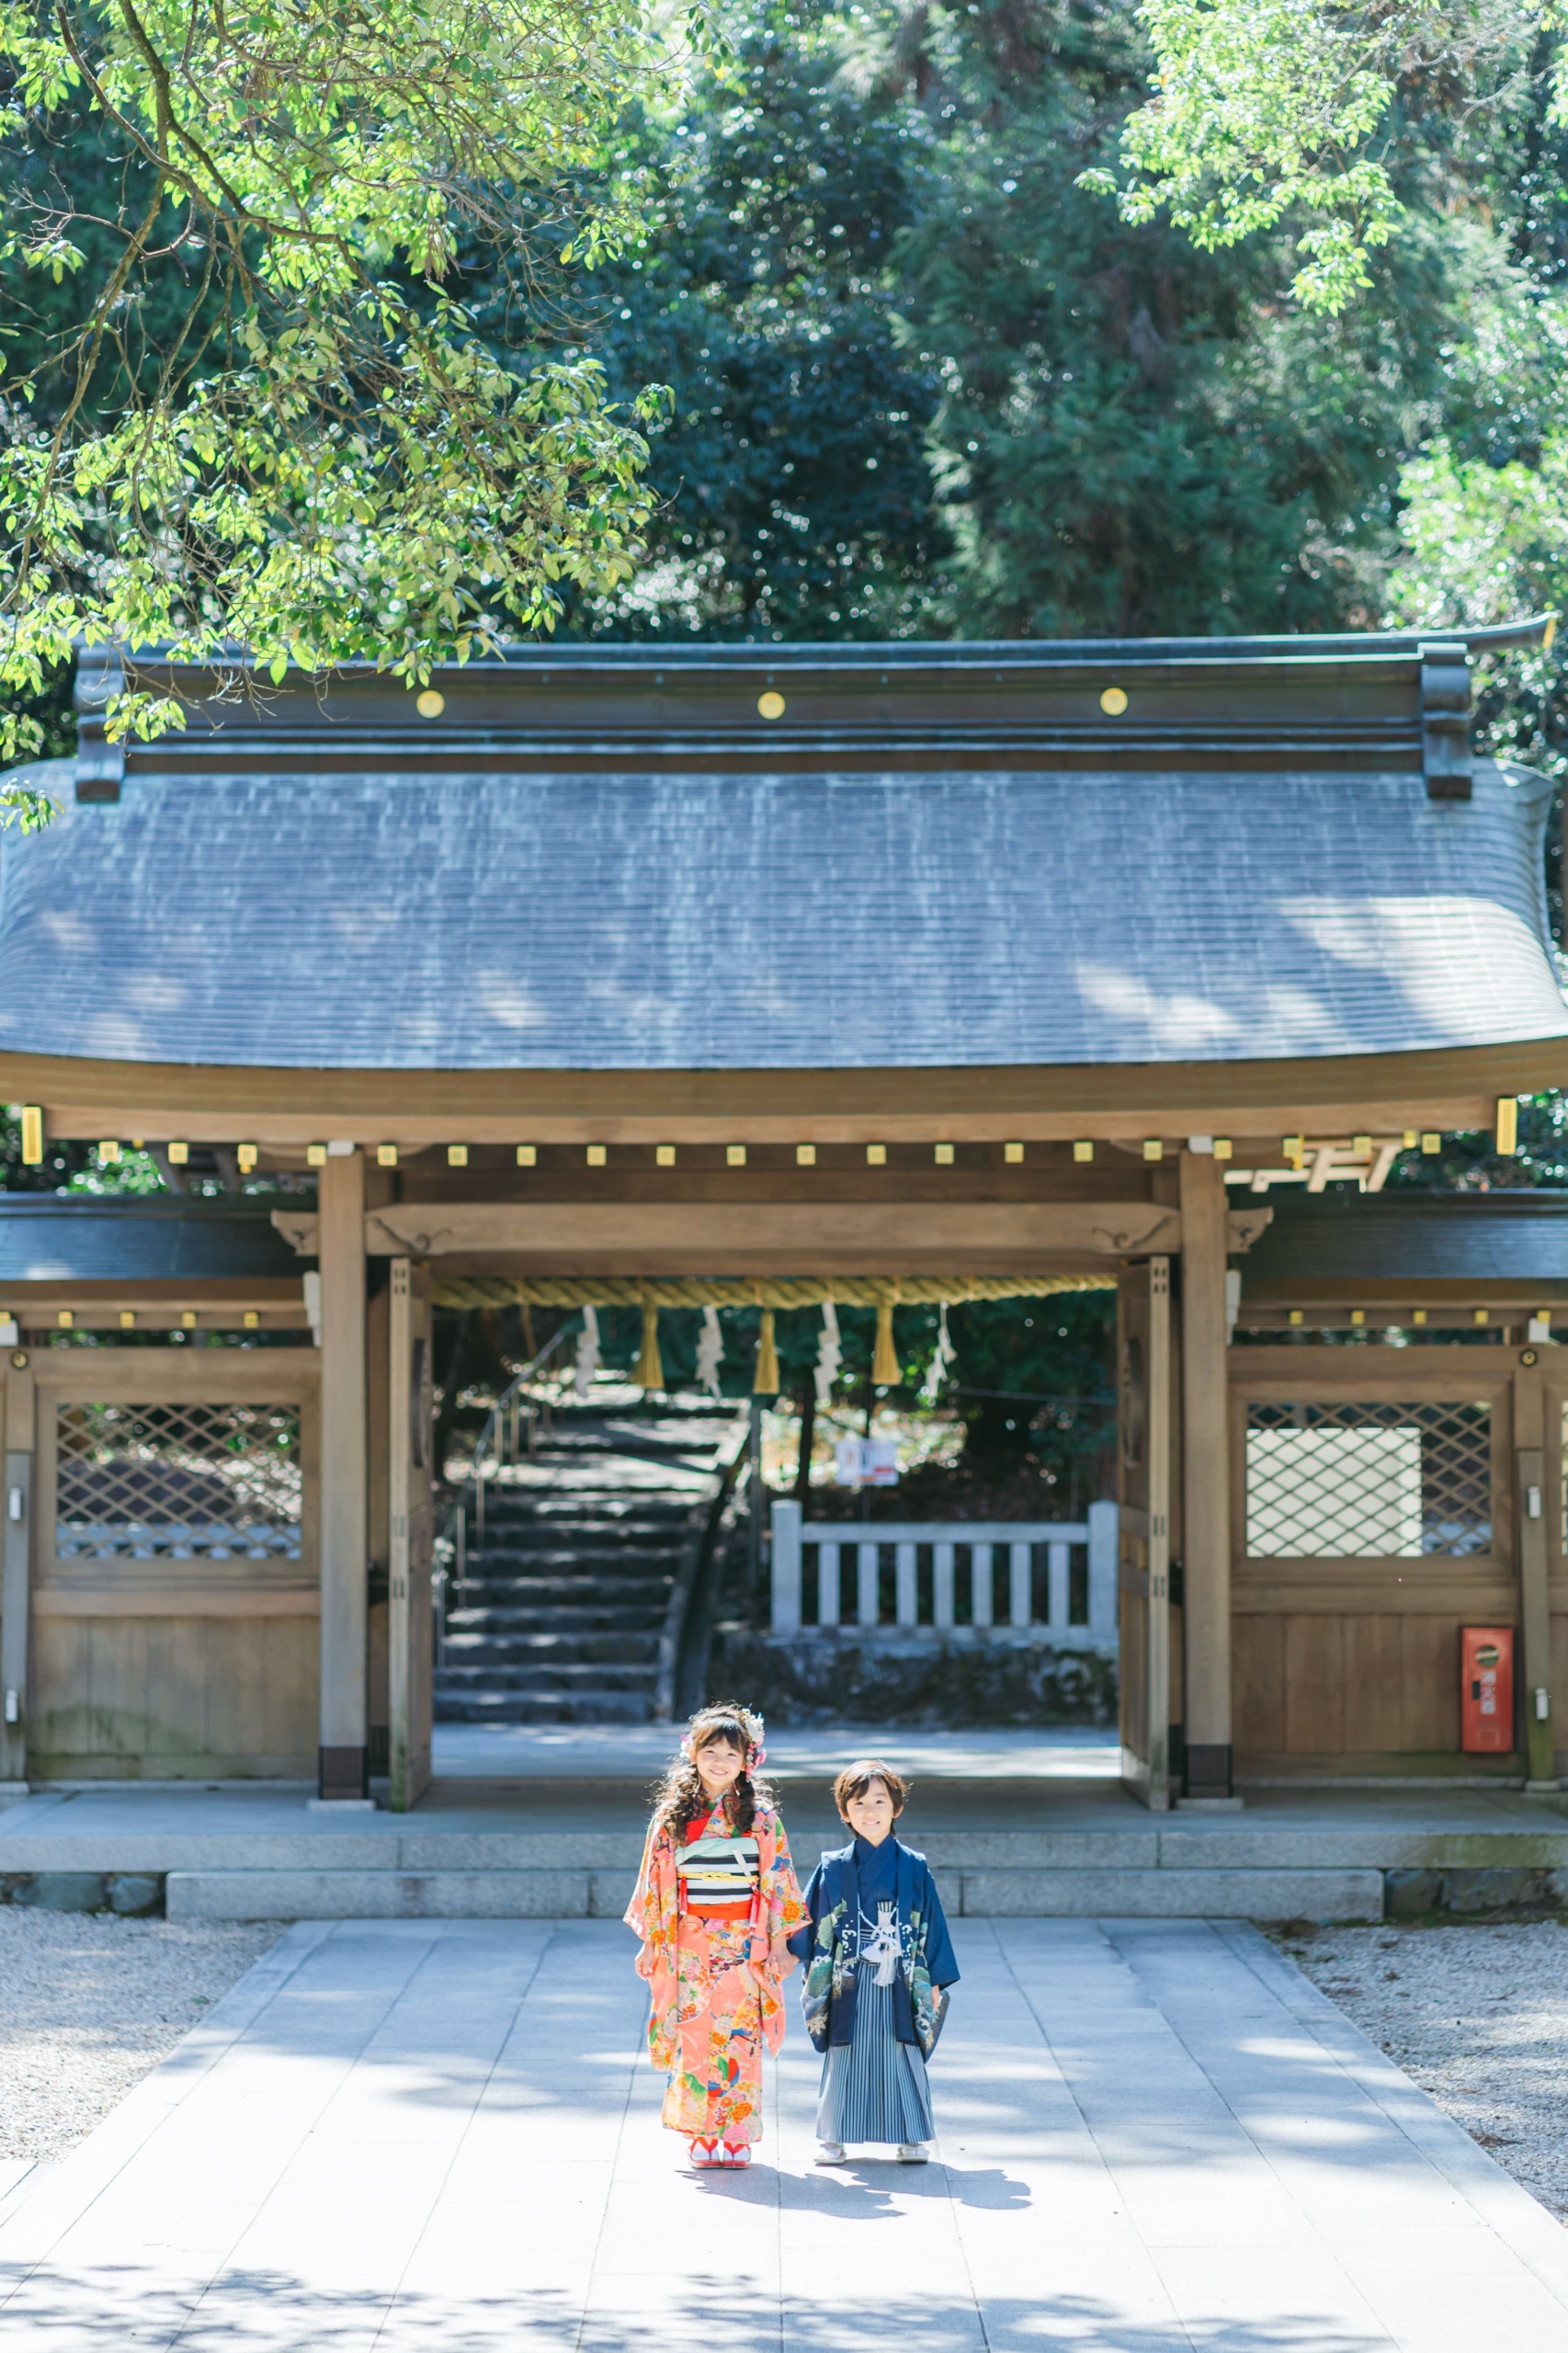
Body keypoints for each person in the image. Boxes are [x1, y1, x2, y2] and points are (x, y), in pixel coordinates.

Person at [625, 1702, 806, 2171]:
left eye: (732, 1751)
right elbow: (656, 1882)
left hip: (743, 1941)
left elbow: (777, 1880)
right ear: (693, 1753)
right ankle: (700, 2132)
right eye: (711, 1749)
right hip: (690, 1941)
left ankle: (737, 2132)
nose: (720, 1760)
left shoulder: (761, 1818)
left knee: (739, 2036)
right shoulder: (672, 1816)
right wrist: (652, 1943)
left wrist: (782, 1945)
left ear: (749, 1759)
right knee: (696, 2032)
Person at [788, 1756, 960, 2165]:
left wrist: (933, 1980)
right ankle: (833, 2136)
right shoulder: (834, 1866)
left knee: (904, 2051)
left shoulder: (914, 1866)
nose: (870, 1812)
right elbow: (809, 1921)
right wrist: (801, 1961)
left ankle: (911, 2136)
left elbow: (932, 1922)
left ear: (896, 1808)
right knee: (845, 2052)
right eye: (859, 1803)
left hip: (901, 1973)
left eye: (880, 1802)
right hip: (848, 1974)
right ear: (844, 1811)